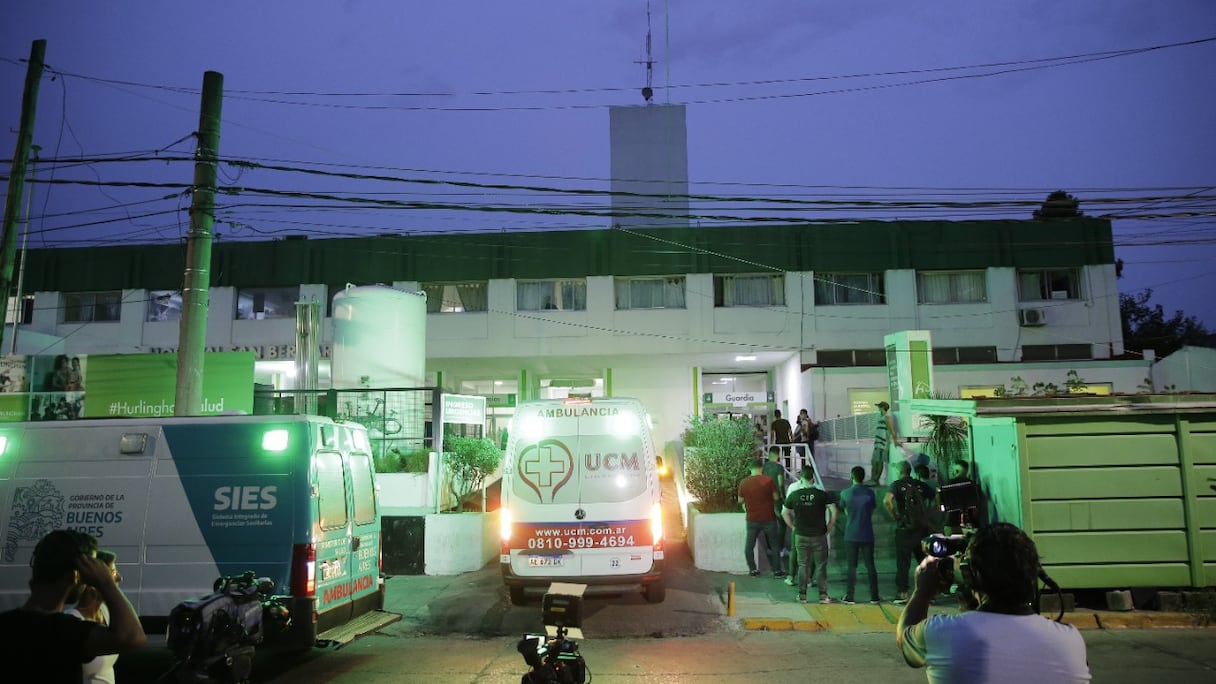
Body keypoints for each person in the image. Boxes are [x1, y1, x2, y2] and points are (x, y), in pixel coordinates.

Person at [896, 523, 1091, 682]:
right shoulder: (1072, 641)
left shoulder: (943, 633)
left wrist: (923, 591)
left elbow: (904, 638)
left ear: (971, 576)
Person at [0, 530, 146, 683]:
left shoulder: (6, 625)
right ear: (75, 575)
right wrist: (106, 583)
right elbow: (132, 637)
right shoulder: (64, 631)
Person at [65, 549, 122, 684]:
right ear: (93, 583)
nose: (119, 578)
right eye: (113, 573)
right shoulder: (72, 622)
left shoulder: (104, 611)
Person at [782, 464, 837, 604]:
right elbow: (834, 510)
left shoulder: (794, 494)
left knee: (802, 565)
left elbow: (784, 512)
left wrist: (792, 526)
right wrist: (830, 525)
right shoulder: (821, 494)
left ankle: (802, 596)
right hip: (819, 535)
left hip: (801, 534)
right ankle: (823, 596)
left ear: (802, 478)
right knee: (820, 565)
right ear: (813, 478)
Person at [885, 461, 937, 604]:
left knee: (903, 563)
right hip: (921, 528)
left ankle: (902, 593)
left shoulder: (896, 485)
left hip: (905, 528)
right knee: (924, 562)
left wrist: (895, 515)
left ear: (900, 471)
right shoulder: (920, 485)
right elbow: (937, 499)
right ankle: (929, 594)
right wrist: (929, 513)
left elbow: (887, 501)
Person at [838, 466, 882, 604]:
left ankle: (850, 595)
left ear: (852, 476)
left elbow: (844, 509)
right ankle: (874, 596)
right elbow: (871, 510)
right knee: (870, 565)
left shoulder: (845, 493)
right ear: (863, 477)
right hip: (867, 533)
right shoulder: (870, 493)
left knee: (852, 566)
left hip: (851, 533)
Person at [738, 459, 785, 578]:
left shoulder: (744, 482)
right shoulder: (768, 481)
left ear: (750, 468)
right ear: (761, 468)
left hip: (752, 519)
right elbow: (776, 497)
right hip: (769, 518)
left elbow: (740, 500)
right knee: (775, 546)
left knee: (749, 546)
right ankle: (777, 571)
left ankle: (753, 570)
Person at [868, 401, 901, 486]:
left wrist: (895, 442)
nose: (878, 408)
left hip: (883, 443)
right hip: (878, 442)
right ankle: (873, 479)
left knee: (879, 461)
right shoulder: (881, 417)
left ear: (882, 408)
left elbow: (892, 431)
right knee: (875, 461)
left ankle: (875, 479)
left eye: (879, 407)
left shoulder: (887, 417)